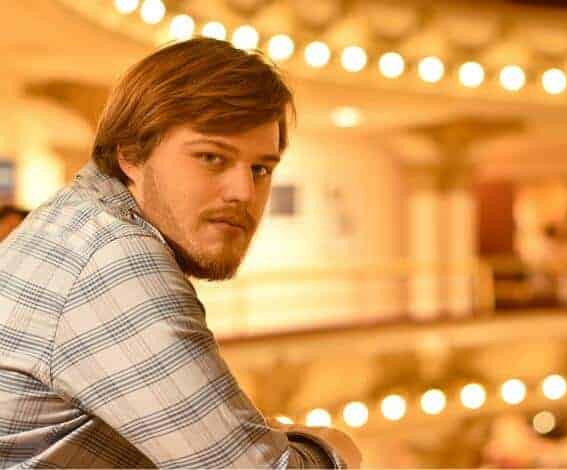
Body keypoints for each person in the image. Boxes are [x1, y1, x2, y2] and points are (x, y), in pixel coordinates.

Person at [0, 38, 360, 468]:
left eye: (260, 169)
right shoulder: (115, 260)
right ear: (131, 155)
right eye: (211, 157)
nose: (243, 192)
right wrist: (333, 448)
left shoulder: (78, 223)